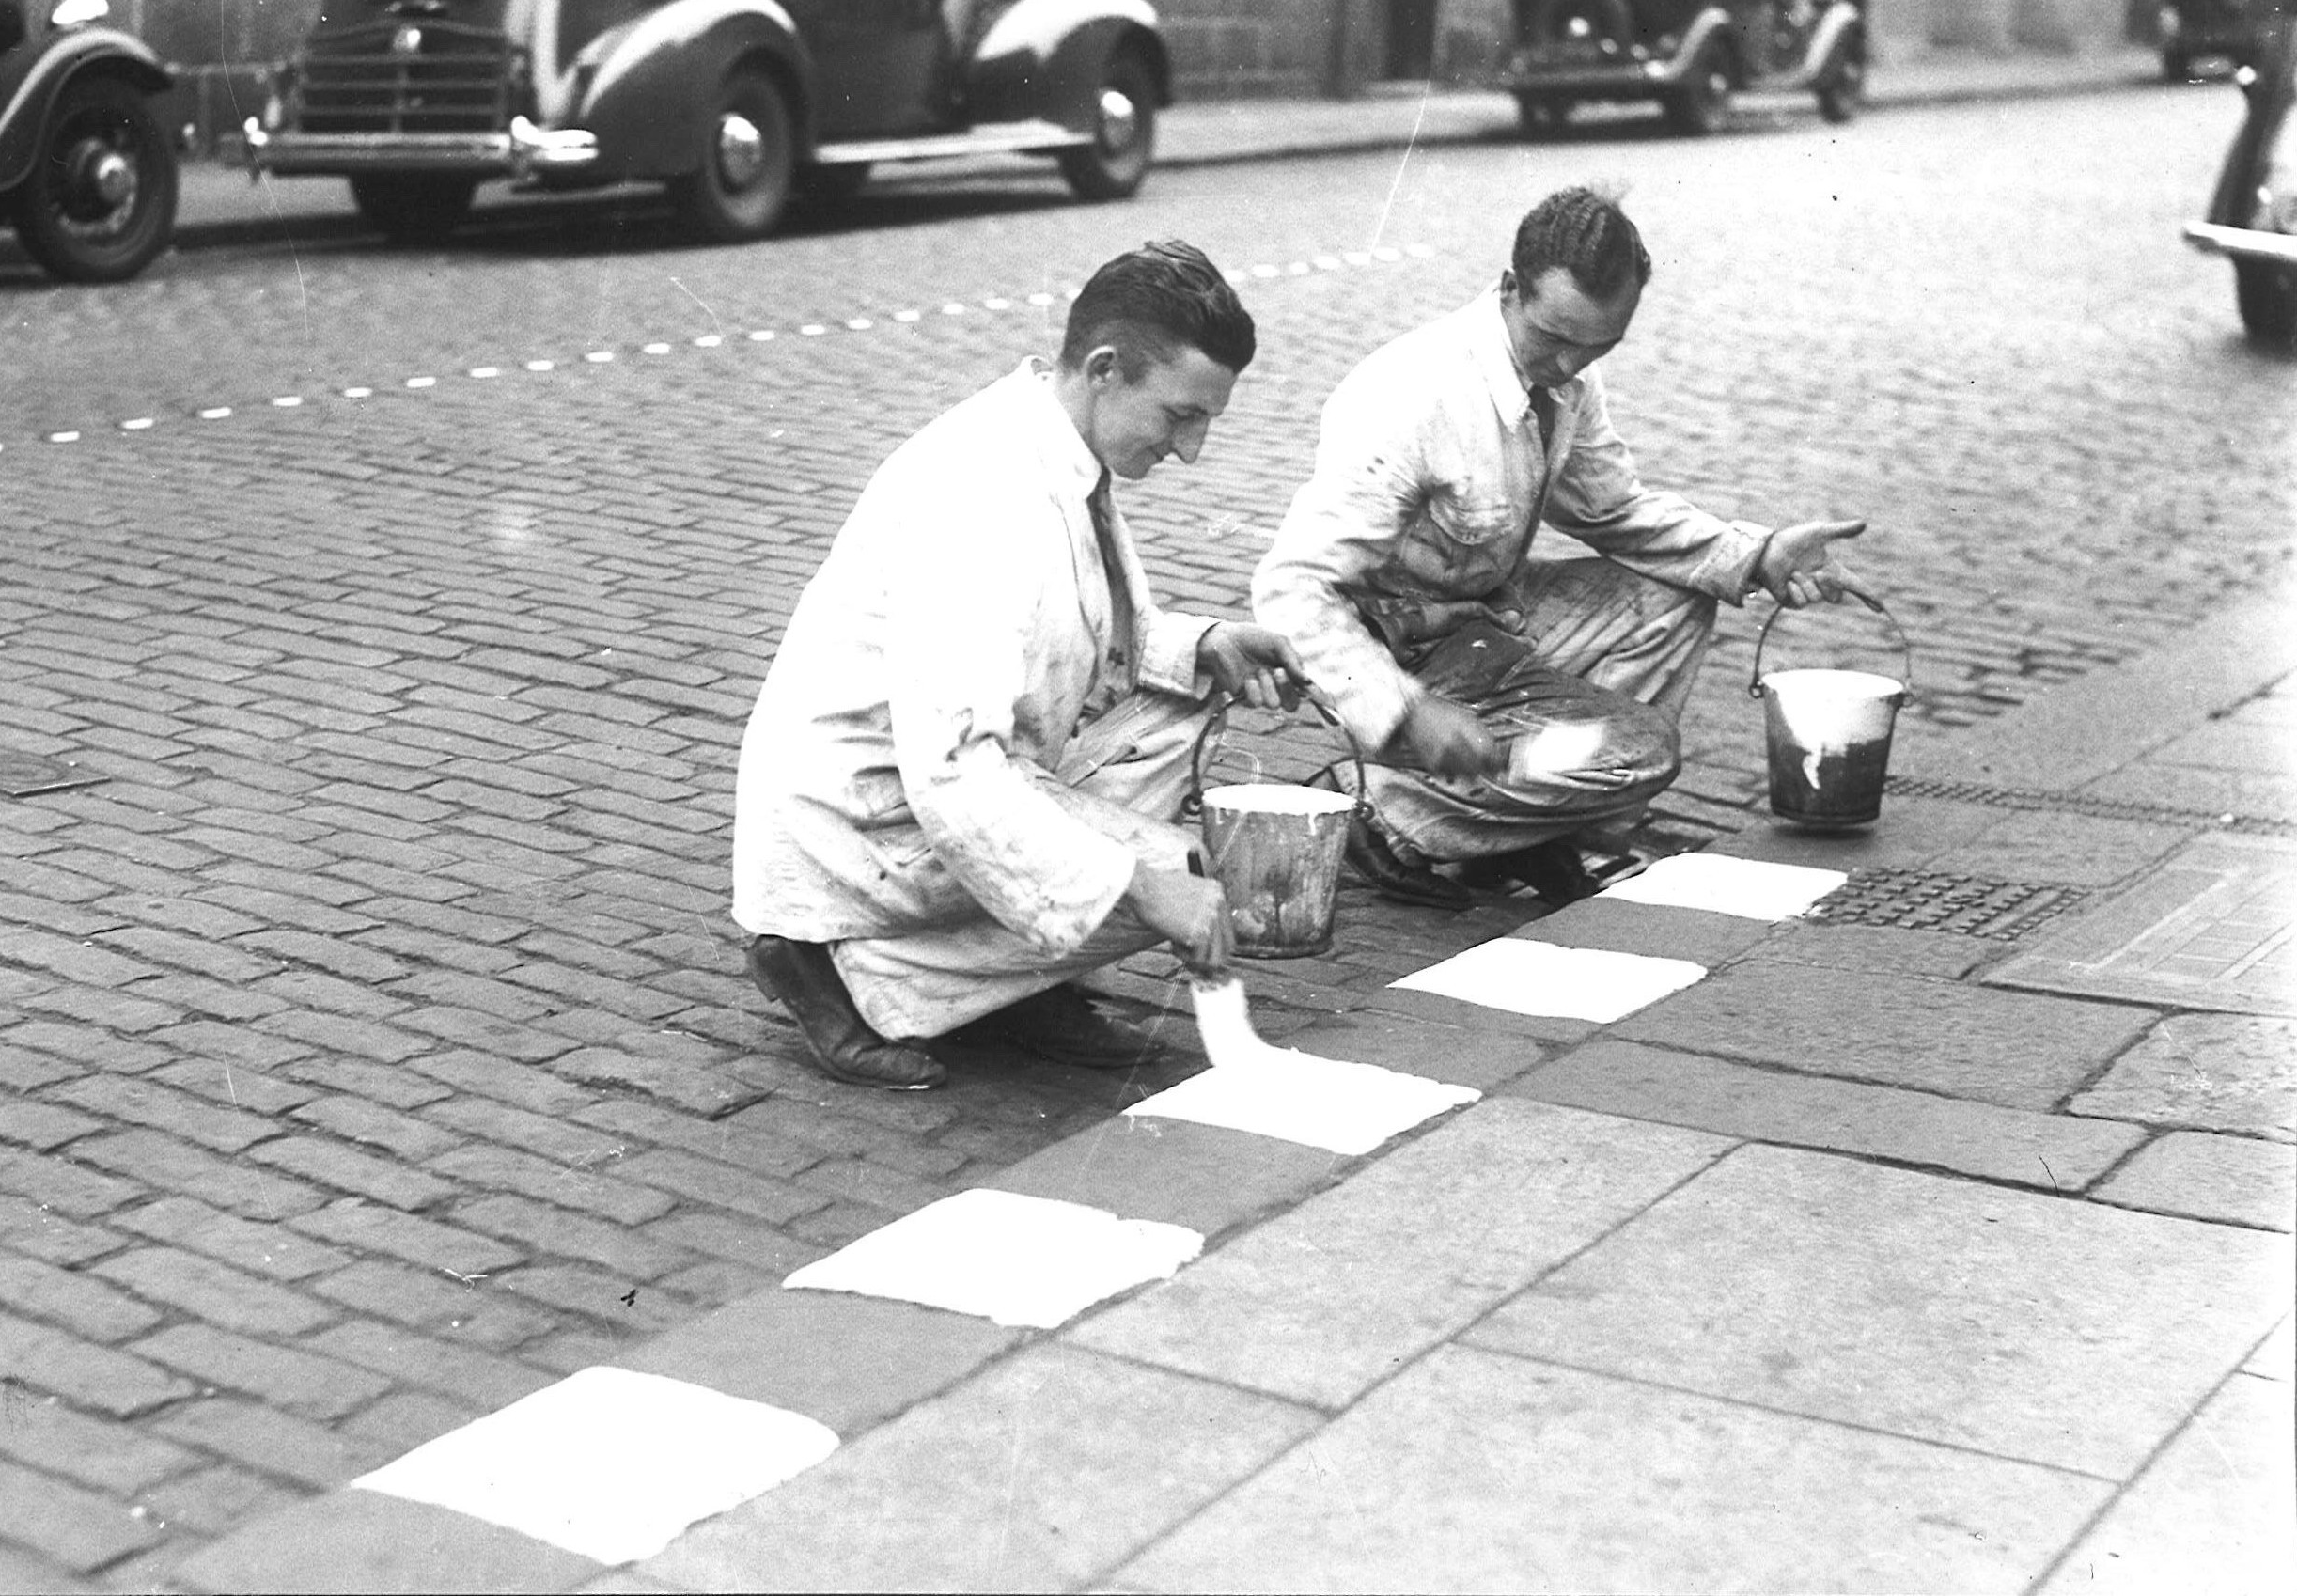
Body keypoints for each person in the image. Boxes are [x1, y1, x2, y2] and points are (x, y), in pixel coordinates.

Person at [734, 241, 1307, 1090]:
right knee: (1188, 873)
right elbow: (953, 775)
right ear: (1105, 369)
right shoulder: (983, 495)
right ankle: (841, 971)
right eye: (1181, 415)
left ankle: (1009, 980)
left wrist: (1206, 646)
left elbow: (1072, 637)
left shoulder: (1052, 440)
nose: (1192, 450)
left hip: (919, 780)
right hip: (860, 826)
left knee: (1182, 729)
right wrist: (1139, 887)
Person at [1251, 184, 1871, 910]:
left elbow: (1614, 510)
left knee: (1675, 596)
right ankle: (1377, 808)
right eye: (1554, 338)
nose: (1571, 364)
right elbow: (1291, 588)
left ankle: (1526, 829)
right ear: (1510, 289)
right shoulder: (1413, 396)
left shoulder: (1567, 377)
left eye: (1597, 345)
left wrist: (1757, 555)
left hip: (1482, 625)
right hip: (1389, 645)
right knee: (1643, 754)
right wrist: (1402, 709)